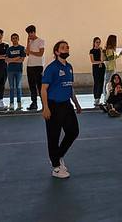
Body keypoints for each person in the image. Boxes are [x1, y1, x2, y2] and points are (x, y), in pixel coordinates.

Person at [42, 40, 82, 179]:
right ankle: (56, 167)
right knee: (53, 136)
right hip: (53, 105)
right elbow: (44, 89)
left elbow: (70, 87)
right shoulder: (51, 68)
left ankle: (58, 156)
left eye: (68, 47)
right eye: (63, 48)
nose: (66, 49)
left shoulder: (69, 67)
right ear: (57, 52)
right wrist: (45, 107)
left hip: (66, 105)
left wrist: (76, 104)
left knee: (73, 131)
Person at [26, 25, 46, 111]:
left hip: (38, 66)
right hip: (29, 66)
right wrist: (28, 43)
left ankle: (44, 104)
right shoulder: (30, 41)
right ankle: (34, 103)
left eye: (30, 33)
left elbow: (40, 53)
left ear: (34, 32)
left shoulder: (41, 41)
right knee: (32, 86)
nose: (29, 35)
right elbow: (27, 53)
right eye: (28, 34)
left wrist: (30, 51)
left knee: (40, 86)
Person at [6, 33, 27, 111]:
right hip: (10, 70)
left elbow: (22, 60)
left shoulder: (22, 48)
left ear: (18, 39)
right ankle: (11, 104)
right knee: (11, 87)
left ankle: (19, 104)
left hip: (18, 71)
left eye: (16, 38)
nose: (14, 39)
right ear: (11, 40)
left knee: (18, 87)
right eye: (13, 38)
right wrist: (17, 58)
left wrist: (12, 60)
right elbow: (6, 60)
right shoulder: (9, 49)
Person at [103, 35, 121, 102]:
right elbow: (110, 58)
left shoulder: (110, 49)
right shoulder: (109, 49)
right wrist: (118, 55)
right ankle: (106, 97)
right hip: (109, 67)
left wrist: (118, 54)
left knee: (108, 82)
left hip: (112, 67)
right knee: (107, 82)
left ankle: (109, 96)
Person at [89, 37, 105, 108]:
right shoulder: (91, 51)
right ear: (94, 43)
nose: (98, 44)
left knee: (101, 82)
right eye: (97, 42)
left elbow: (102, 59)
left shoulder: (101, 50)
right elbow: (92, 61)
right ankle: (95, 98)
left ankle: (99, 97)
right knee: (96, 82)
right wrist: (100, 62)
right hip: (95, 68)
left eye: (99, 42)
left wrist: (101, 51)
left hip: (101, 67)